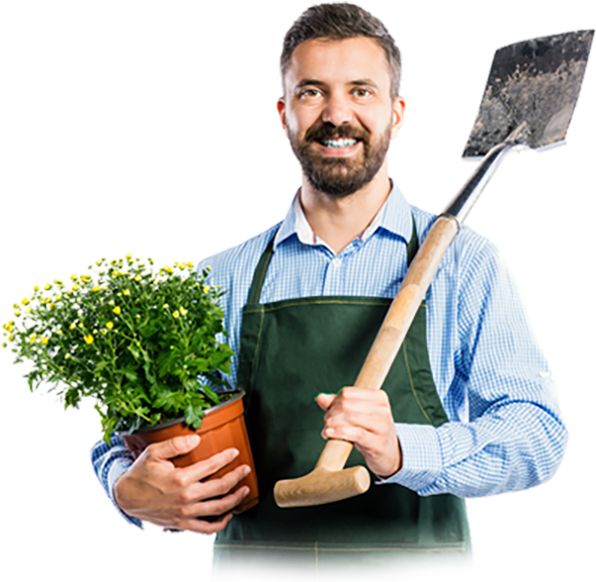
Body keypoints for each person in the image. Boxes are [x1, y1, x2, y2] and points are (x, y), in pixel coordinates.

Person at [92, 3, 567, 580]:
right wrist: (125, 488)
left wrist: (402, 452)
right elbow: (131, 428)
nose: (337, 114)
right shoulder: (221, 279)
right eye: (312, 92)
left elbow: (536, 436)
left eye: (361, 91)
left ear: (396, 111)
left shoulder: (464, 267)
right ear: (284, 112)